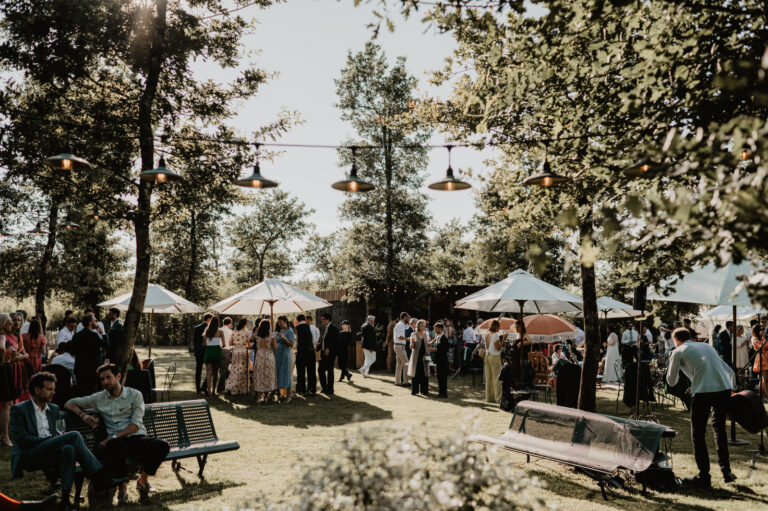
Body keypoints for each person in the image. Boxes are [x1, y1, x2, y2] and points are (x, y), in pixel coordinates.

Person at [11, 372, 125, 510]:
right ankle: (99, 478)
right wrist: (50, 440)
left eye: (54, 389)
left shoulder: (53, 409)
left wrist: (57, 440)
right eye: (49, 389)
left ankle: (65, 501)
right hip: (30, 452)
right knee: (74, 435)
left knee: (68, 449)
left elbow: (59, 431)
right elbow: (21, 439)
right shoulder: (19, 410)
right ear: (36, 390)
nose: (53, 392)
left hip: (52, 450)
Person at [65, 364, 171, 503]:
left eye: (108, 377)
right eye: (102, 379)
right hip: (117, 444)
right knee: (115, 445)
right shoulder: (99, 398)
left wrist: (110, 438)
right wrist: (83, 415)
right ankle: (123, 488)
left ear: (118, 377)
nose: (105, 382)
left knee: (162, 445)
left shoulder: (134, 395)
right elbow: (69, 403)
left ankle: (143, 480)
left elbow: (134, 426)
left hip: (136, 437)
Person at [666, 328, 736, 489]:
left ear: (676, 339)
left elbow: (671, 381)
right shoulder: (707, 347)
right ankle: (726, 471)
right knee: (720, 430)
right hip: (723, 389)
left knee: (698, 433)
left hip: (703, 393)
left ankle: (704, 476)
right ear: (690, 337)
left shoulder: (678, 351)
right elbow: (728, 370)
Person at [70, 314, 109, 397]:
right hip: (92, 370)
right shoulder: (94, 336)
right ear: (90, 322)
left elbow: (72, 351)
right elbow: (106, 345)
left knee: (81, 393)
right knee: (91, 394)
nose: (97, 322)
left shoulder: (76, 335)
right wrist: (103, 334)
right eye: (95, 320)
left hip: (79, 369)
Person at [1, 313, 21, 446]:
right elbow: (1, 348)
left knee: (8, 405)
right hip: (3, 369)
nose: (12, 324)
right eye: (9, 322)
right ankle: (5, 436)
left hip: (6, 368)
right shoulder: (2, 336)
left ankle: (6, 434)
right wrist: (3, 360)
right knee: (7, 404)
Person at [253, 319, 277, 404]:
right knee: (268, 375)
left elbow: (249, 339)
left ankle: (259, 397)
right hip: (269, 356)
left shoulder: (257, 334)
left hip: (259, 356)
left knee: (259, 375)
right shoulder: (272, 334)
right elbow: (275, 347)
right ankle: (266, 397)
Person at [408, 320, 433, 396]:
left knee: (424, 373)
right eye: (423, 325)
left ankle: (424, 391)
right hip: (416, 357)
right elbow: (411, 347)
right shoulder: (413, 334)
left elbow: (428, 344)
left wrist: (434, 339)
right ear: (419, 326)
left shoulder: (426, 334)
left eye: (425, 325)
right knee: (415, 373)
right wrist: (412, 342)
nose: (425, 327)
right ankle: (414, 391)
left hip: (424, 356)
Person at [225, 319, 250, 396]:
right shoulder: (246, 333)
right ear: (245, 324)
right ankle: (241, 389)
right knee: (243, 370)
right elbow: (248, 343)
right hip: (243, 352)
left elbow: (230, 343)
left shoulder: (234, 332)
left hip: (235, 352)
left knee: (235, 369)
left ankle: (231, 386)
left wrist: (236, 343)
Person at [294, 315, 317, 395]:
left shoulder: (296, 328)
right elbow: (315, 339)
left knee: (301, 372)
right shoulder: (312, 327)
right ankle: (312, 389)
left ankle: (302, 390)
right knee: (311, 371)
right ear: (304, 319)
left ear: (297, 320)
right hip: (310, 351)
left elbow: (295, 341)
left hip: (301, 352)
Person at [274, 316, 295, 402]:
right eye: (278, 322)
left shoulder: (290, 331)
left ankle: (289, 396)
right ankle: (279, 395)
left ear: (285, 321)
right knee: (278, 374)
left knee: (287, 375)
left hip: (285, 355)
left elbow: (291, 344)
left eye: (280, 322)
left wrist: (283, 337)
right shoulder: (281, 330)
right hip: (278, 355)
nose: (279, 324)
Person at [317, 313, 339, 395]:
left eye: (323, 319)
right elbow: (323, 341)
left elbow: (335, 341)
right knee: (320, 370)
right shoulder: (325, 328)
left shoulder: (334, 328)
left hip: (330, 353)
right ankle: (324, 388)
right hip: (323, 353)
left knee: (330, 371)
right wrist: (317, 348)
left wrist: (329, 348)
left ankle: (330, 389)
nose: (321, 321)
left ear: (328, 319)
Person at [484, 320, 504, 403]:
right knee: (497, 378)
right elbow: (498, 348)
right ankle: (498, 398)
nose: (500, 328)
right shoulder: (495, 335)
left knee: (489, 378)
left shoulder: (487, 334)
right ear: (496, 327)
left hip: (487, 356)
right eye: (499, 326)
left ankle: (489, 398)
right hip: (494, 356)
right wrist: (504, 340)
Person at [202, 316, 223, 396]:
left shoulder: (207, 330)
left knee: (209, 373)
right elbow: (224, 344)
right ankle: (214, 390)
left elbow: (204, 344)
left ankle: (209, 391)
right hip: (217, 352)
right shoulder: (220, 331)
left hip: (209, 352)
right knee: (215, 373)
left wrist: (210, 343)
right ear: (218, 322)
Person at [193, 313, 212, 395]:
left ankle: (198, 388)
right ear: (208, 319)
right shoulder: (209, 328)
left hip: (198, 351)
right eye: (211, 319)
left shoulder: (197, 327)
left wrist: (195, 350)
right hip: (206, 351)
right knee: (210, 370)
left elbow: (194, 341)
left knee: (198, 370)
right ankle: (204, 387)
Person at [392, 312, 410, 386]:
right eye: (408, 317)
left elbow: (408, 327)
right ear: (405, 317)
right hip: (399, 346)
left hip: (399, 346)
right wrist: (407, 339)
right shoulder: (399, 325)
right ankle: (405, 382)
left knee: (399, 365)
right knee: (406, 363)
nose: (408, 318)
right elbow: (398, 336)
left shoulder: (402, 325)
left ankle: (398, 381)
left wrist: (410, 322)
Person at [217, 317, 234, 393]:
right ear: (229, 323)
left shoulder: (219, 330)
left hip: (218, 350)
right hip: (226, 350)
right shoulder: (230, 332)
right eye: (231, 323)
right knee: (224, 370)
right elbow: (232, 343)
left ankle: (220, 387)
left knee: (219, 369)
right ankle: (220, 388)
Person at [434, 322, 450, 398]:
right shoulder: (438, 336)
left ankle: (444, 393)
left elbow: (446, 349)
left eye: (436, 329)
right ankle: (440, 392)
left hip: (443, 360)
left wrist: (435, 349)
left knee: (443, 377)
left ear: (440, 329)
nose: (434, 330)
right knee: (439, 377)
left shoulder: (444, 337)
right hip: (438, 360)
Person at [751, 326, 768, 398]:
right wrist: (763, 336)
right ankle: (766, 395)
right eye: (761, 330)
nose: (762, 331)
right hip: (761, 357)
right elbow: (762, 346)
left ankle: (761, 394)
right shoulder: (754, 338)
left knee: (763, 378)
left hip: (766, 356)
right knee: (765, 378)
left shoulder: (761, 338)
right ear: (757, 330)